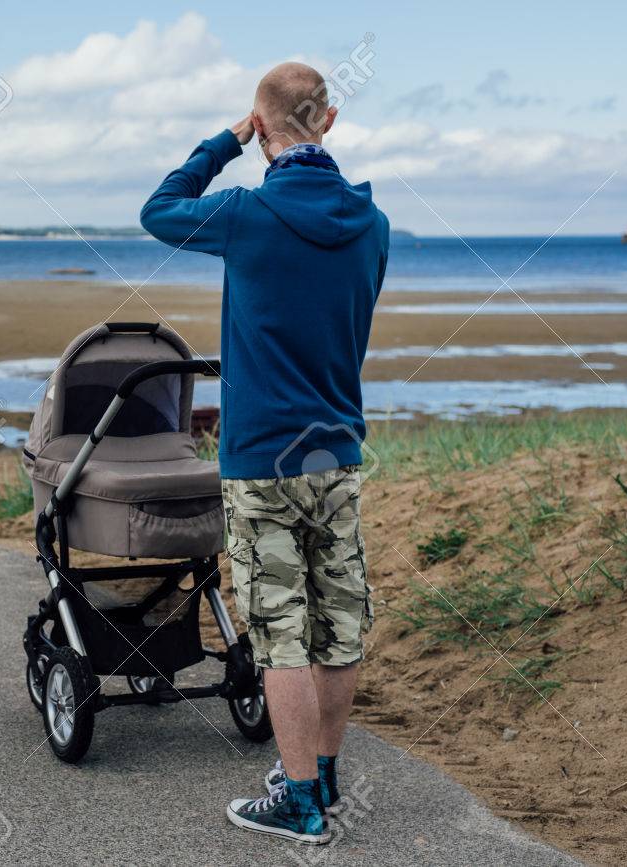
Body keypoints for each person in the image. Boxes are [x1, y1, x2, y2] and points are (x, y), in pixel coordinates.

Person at [139, 61, 389, 845]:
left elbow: (159, 211)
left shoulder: (246, 215)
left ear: (263, 126)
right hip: (337, 455)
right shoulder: (372, 225)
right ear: (331, 120)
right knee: (338, 624)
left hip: (261, 461)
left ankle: (303, 803)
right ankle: (323, 771)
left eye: (254, 125)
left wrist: (224, 141)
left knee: (280, 629)